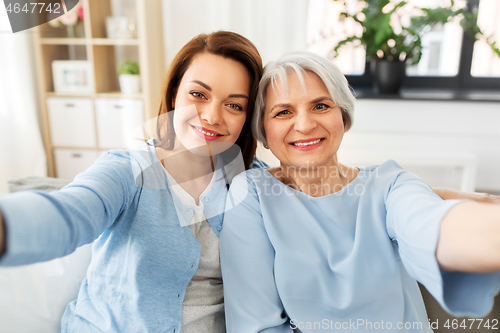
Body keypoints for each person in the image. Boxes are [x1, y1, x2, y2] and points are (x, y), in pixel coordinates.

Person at [0, 30, 266, 333]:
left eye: (234, 105)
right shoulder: (126, 172)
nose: (211, 116)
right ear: (174, 94)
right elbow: (71, 212)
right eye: (198, 94)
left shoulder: (252, 181)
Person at [220, 51, 500, 333]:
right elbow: (254, 325)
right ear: (264, 132)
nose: (304, 125)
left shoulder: (389, 183)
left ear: (343, 116)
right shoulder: (252, 195)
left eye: (320, 106)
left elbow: (433, 226)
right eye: (283, 112)